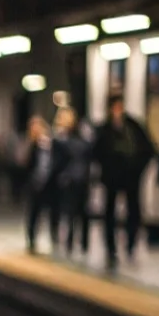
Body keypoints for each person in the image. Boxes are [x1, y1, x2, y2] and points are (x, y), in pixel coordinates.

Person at [93, 92, 155, 268]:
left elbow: (148, 149)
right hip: (113, 178)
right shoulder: (105, 129)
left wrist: (138, 169)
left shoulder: (133, 126)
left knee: (133, 211)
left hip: (131, 177)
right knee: (110, 212)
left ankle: (130, 246)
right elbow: (97, 153)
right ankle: (111, 248)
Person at [25, 116, 67, 252]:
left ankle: (54, 238)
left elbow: (61, 161)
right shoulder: (33, 146)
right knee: (34, 213)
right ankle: (32, 239)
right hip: (36, 184)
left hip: (51, 184)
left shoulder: (54, 144)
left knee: (54, 213)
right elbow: (27, 164)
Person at [55, 107, 92, 256]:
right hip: (79, 178)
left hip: (72, 179)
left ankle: (73, 242)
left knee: (73, 211)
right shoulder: (82, 138)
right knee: (79, 212)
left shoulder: (65, 140)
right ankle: (81, 243)